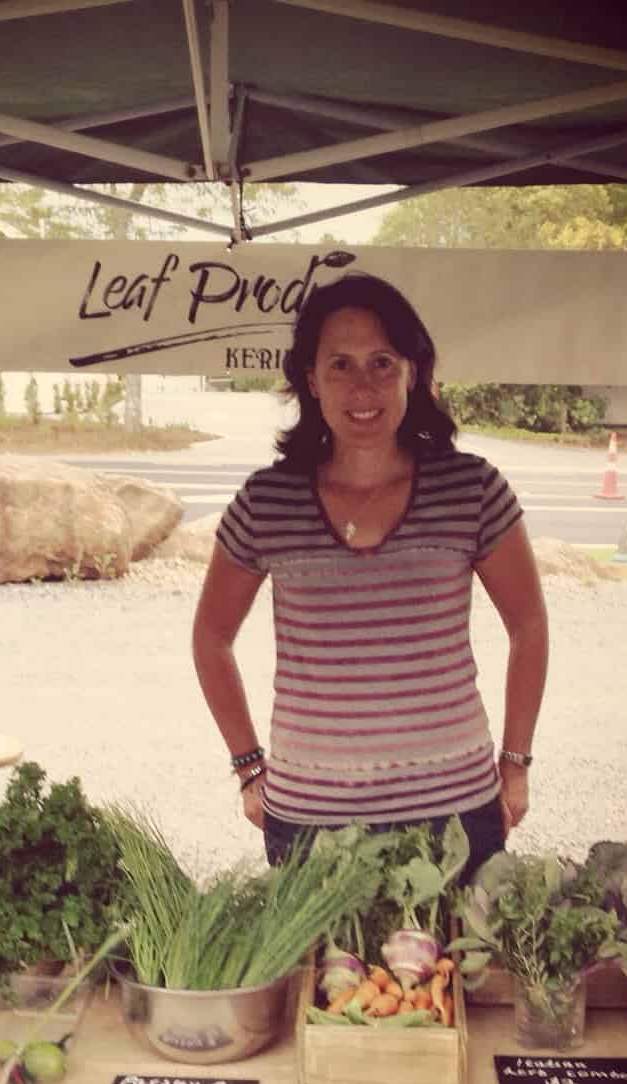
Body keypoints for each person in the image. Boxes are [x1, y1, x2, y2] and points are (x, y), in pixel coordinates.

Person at [192, 272, 548, 877]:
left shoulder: (472, 489)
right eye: (341, 365)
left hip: (455, 814)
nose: (363, 386)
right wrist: (249, 765)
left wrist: (515, 762)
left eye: (382, 362)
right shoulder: (267, 500)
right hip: (311, 821)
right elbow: (211, 637)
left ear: (414, 370)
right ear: (310, 379)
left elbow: (529, 624)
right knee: (324, 974)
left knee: (457, 972)